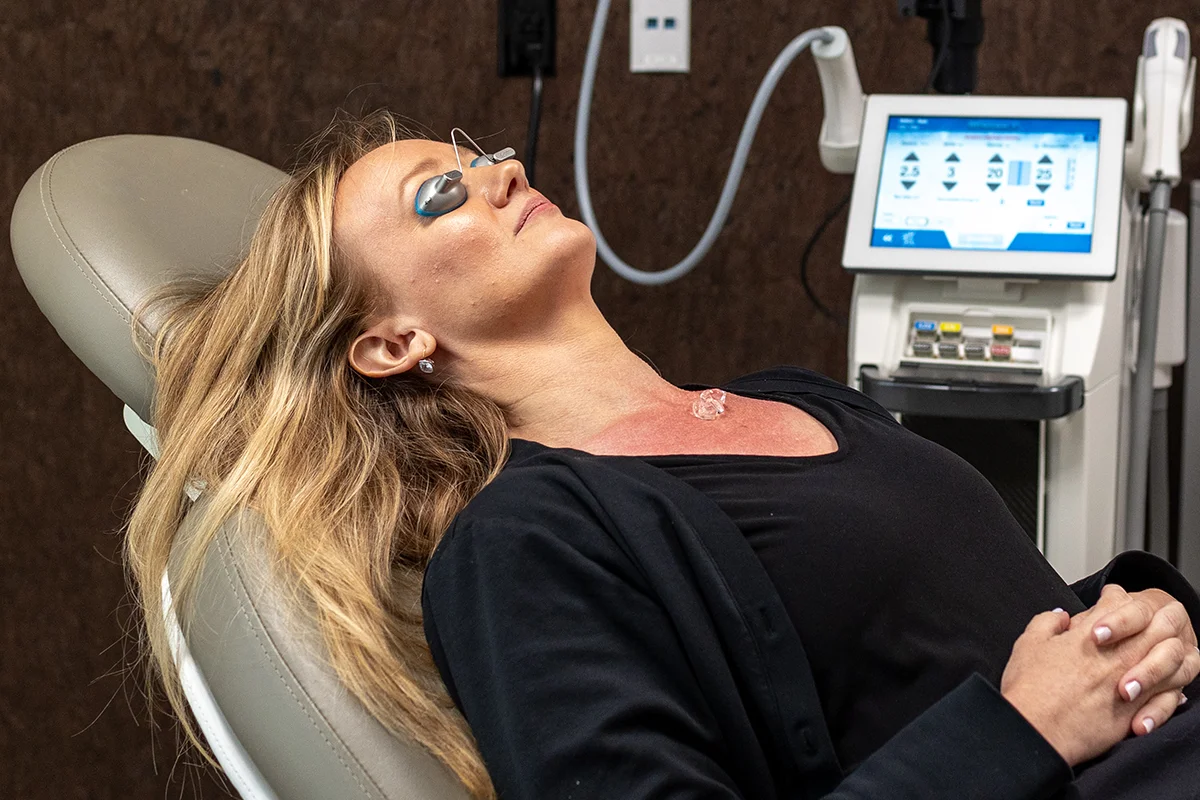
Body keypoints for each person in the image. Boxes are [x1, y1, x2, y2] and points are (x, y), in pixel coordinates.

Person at [126, 111, 1200, 800]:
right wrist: (1017, 732)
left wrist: (1136, 621)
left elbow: (955, 627)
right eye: (439, 195)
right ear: (391, 342)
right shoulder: (522, 544)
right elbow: (1000, 706)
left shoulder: (797, 397)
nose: (502, 171)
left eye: (481, 156)